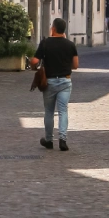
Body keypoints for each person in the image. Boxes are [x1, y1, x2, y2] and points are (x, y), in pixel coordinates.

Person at [30, 18, 78, 151]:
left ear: (53, 29)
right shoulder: (70, 45)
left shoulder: (45, 43)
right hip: (65, 81)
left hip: (49, 82)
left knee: (49, 111)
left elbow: (35, 60)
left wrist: (34, 66)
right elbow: (75, 65)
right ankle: (63, 139)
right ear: (64, 31)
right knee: (63, 111)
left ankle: (49, 140)